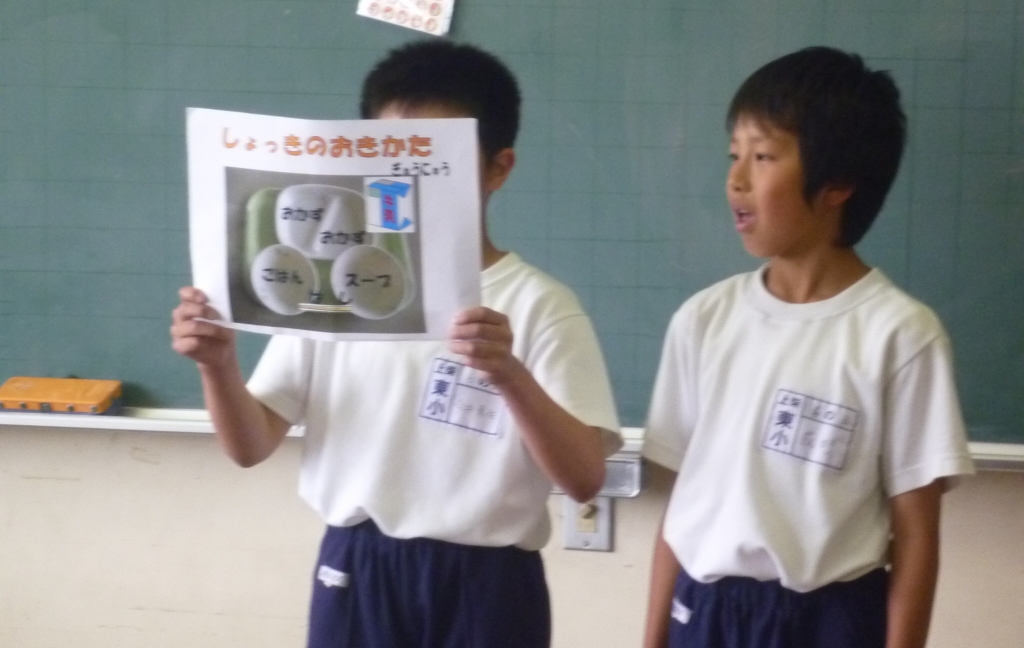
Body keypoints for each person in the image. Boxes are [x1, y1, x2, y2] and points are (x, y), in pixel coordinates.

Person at [171, 40, 622, 648]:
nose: (408, 175)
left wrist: (509, 374)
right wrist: (218, 365)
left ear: (498, 168)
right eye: (390, 152)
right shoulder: (333, 287)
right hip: (359, 569)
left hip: (488, 581)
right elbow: (250, 446)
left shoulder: (541, 305)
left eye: (434, 157)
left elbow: (586, 479)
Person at [641, 46, 974, 648]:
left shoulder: (900, 334)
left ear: (837, 184)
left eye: (763, 156)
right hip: (707, 610)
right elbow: (683, 509)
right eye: (734, 155)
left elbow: (917, 534)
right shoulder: (703, 320)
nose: (736, 180)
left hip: (831, 618)